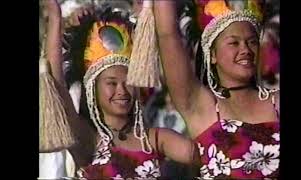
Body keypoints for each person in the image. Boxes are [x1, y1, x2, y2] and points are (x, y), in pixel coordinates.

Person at [43, 0, 199, 179]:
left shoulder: (154, 140)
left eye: (128, 81)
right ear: (92, 88)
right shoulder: (88, 140)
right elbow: (58, 92)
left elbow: (210, 154)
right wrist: (55, 19)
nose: (122, 90)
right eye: (111, 83)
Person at [154, 0, 279, 179]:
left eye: (252, 42)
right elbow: (167, 35)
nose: (245, 49)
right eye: (234, 43)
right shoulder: (202, 107)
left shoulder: (277, 103)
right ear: (212, 55)